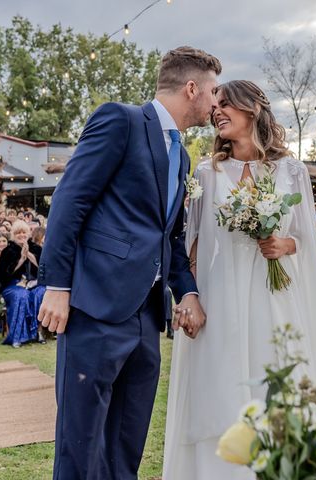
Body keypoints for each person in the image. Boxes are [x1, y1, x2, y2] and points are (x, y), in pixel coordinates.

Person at [37, 46, 219, 479]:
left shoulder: (184, 156)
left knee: (126, 446)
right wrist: (58, 286)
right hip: (95, 307)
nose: (216, 102)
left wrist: (188, 291)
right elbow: (69, 201)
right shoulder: (120, 120)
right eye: (213, 92)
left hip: (146, 318)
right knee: (80, 447)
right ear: (191, 88)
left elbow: (169, 235)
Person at [163, 80, 316, 480]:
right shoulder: (207, 173)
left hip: (275, 296)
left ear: (252, 109)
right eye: (215, 105)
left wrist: (285, 245)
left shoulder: (291, 170)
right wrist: (188, 297)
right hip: (221, 293)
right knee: (221, 384)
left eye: (226, 104)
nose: (216, 111)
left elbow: (309, 243)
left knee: (276, 379)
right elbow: (191, 244)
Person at [0, 220, 39, 348]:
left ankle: (37, 333)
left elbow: (45, 270)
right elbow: (2, 276)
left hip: (35, 283)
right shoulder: (7, 251)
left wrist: (29, 255)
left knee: (40, 293)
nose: (21, 235)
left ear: (28, 233)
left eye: (23, 232)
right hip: (12, 285)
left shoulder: (37, 248)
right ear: (13, 235)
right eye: (18, 233)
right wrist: (21, 260)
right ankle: (17, 337)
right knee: (21, 295)